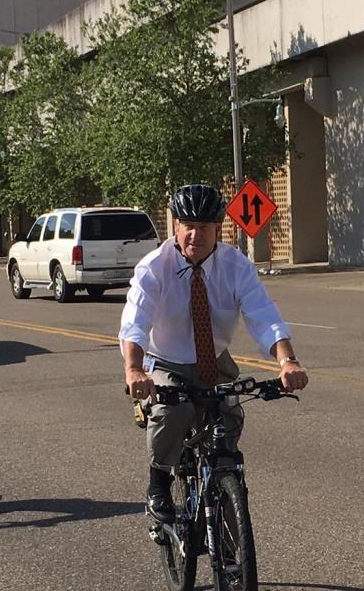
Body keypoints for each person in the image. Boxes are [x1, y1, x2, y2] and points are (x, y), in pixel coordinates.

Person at [120, 183, 309, 522]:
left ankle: (223, 490)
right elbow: (135, 320)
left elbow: (263, 315)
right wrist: (134, 369)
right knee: (171, 415)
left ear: (217, 229)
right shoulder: (154, 267)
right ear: (176, 226)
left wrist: (287, 361)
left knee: (229, 420)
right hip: (167, 360)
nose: (195, 234)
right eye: (188, 225)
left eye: (204, 227)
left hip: (215, 360)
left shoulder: (235, 266)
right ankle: (159, 483)